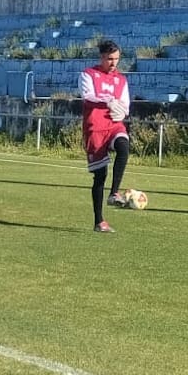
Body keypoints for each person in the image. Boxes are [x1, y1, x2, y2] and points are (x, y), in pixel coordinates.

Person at [79, 38, 131, 234]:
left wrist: (123, 112)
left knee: (124, 147)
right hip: (95, 127)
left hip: (113, 125)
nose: (114, 63)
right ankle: (99, 221)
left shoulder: (121, 80)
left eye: (116, 58)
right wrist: (107, 100)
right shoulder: (88, 74)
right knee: (100, 176)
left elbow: (125, 103)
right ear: (101, 57)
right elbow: (88, 96)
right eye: (110, 59)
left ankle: (114, 193)